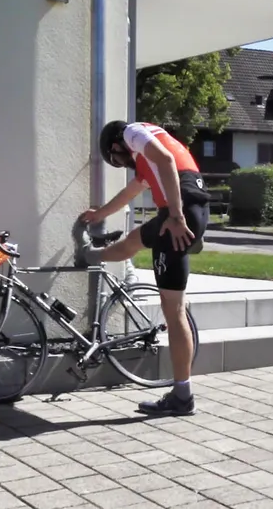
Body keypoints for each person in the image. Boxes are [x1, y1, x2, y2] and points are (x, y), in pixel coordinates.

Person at [76, 120, 210, 416]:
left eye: (118, 159)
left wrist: (175, 216)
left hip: (179, 213)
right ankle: (182, 394)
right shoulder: (153, 145)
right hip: (197, 210)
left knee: (131, 248)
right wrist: (100, 213)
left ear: (116, 144)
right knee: (174, 308)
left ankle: (90, 256)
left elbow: (165, 160)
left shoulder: (131, 132)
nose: (124, 163)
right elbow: (132, 191)